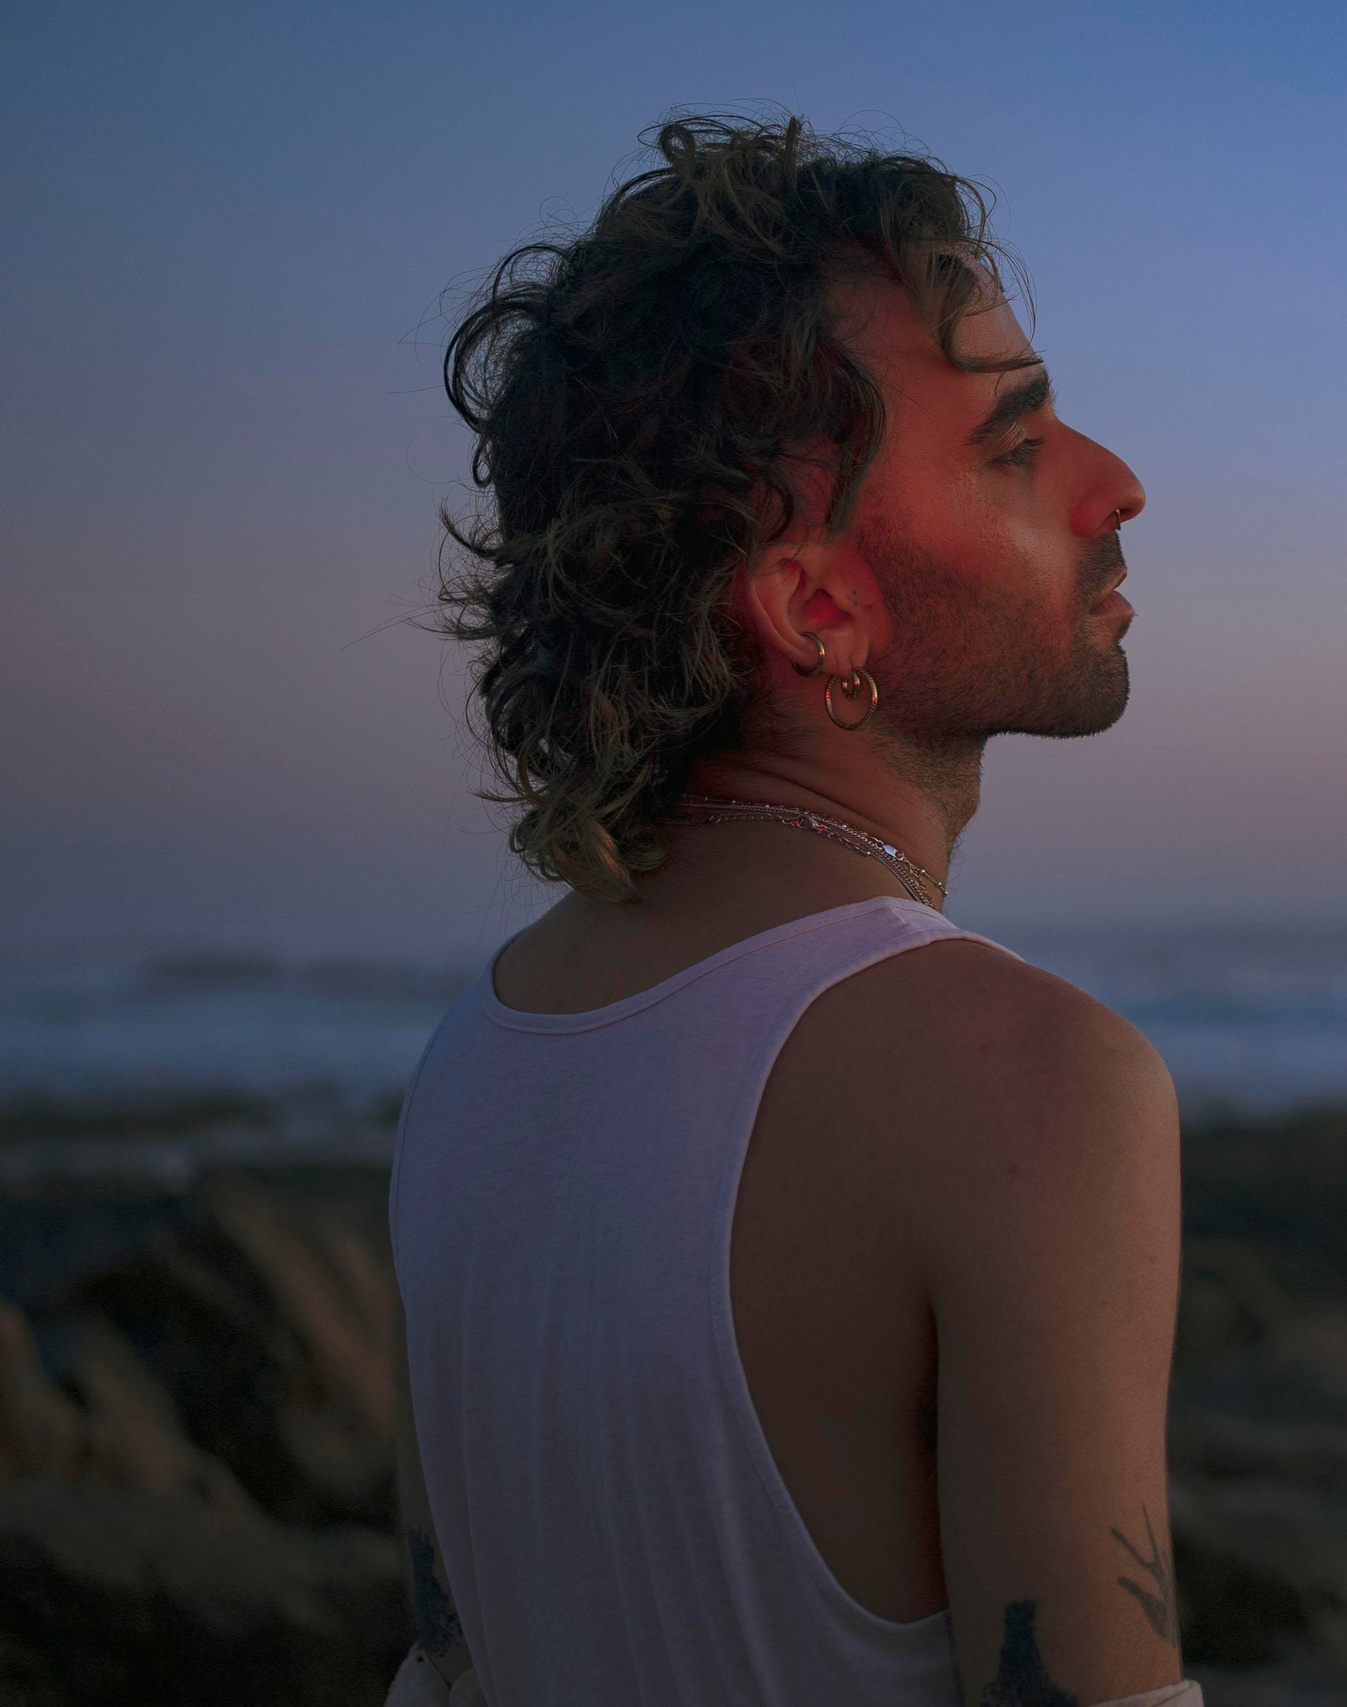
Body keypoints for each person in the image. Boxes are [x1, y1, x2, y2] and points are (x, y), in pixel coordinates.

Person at [387, 113, 1194, 1707]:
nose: (1119, 483)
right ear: (817, 606)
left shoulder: (471, 1063)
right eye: (1015, 448)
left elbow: (441, 1673)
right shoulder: (1028, 1085)